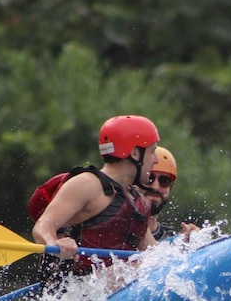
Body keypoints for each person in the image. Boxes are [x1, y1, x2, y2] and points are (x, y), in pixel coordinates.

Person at [30, 114, 160, 282]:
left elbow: (156, 256)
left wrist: (188, 243)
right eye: (152, 151)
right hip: (72, 293)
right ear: (135, 153)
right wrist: (54, 243)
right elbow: (43, 226)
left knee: (141, 265)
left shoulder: (137, 202)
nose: (155, 160)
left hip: (110, 291)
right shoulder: (87, 185)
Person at [140, 146, 199, 241]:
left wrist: (196, 244)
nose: (155, 187)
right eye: (149, 178)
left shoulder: (173, 240)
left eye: (164, 181)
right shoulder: (114, 227)